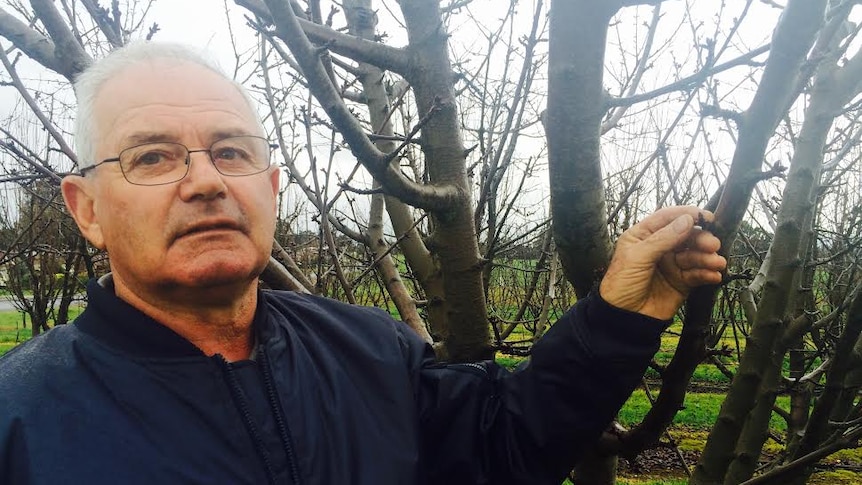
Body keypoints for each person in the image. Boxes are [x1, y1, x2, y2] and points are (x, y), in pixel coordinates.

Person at [0, 43, 726, 485]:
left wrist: (625, 308)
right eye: (152, 155)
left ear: (271, 188)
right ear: (86, 206)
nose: (205, 181)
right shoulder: (21, 419)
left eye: (232, 151)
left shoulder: (370, 350)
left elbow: (505, 444)